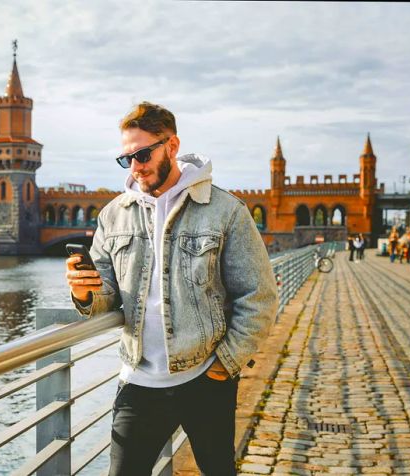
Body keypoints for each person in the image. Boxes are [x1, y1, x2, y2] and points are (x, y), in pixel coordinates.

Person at [66, 102, 278, 475]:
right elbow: (107, 297)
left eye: (143, 154)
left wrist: (225, 363)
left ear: (172, 145)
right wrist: (85, 292)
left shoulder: (225, 210)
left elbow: (258, 296)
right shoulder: (113, 215)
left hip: (205, 377)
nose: (136, 166)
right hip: (139, 381)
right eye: (126, 158)